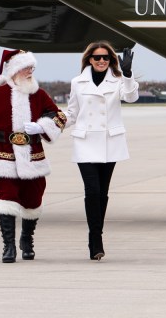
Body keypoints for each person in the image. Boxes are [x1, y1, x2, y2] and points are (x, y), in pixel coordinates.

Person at [0, 49, 66, 263]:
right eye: (26, 67)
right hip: (4, 156)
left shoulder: (38, 94)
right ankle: (8, 246)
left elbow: (58, 116)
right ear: (13, 71)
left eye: (32, 68)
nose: (31, 71)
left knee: (33, 200)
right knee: (6, 198)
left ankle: (26, 240)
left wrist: (41, 127)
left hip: (33, 157)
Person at [64, 41, 139, 260]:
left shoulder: (118, 81)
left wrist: (127, 73)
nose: (101, 61)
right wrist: (52, 123)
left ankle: (96, 236)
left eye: (106, 57)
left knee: (103, 194)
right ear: (89, 59)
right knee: (92, 191)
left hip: (109, 142)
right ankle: (95, 239)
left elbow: (131, 97)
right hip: (85, 142)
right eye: (97, 57)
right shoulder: (77, 82)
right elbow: (72, 113)